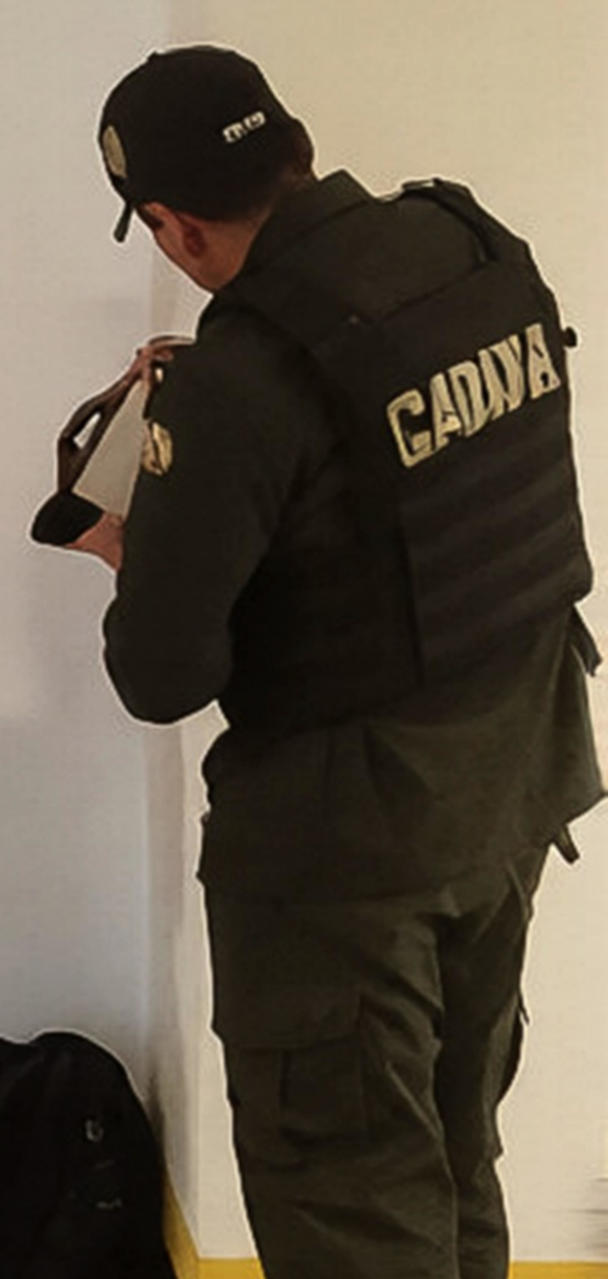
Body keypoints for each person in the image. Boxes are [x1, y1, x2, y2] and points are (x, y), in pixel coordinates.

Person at [78, 46, 601, 1279]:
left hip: (344, 859)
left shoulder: (237, 383)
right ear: (295, 146)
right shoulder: (464, 244)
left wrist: (131, 538)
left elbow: (161, 673)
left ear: (173, 225)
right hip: (509, 787)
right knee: (451, 1157)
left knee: (352, 1205)